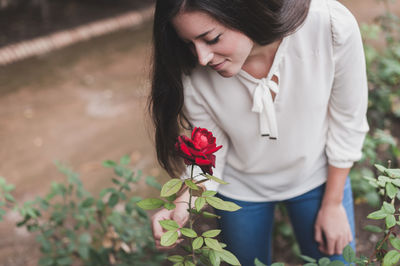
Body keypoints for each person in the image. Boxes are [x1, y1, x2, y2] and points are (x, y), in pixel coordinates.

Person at [149, 0, 369, 265]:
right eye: (188, 43)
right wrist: (182, 202)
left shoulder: (329, 25)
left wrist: (333, 204)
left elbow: (348, 120)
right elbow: (209, 148)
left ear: (244, 11)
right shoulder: (191, 70)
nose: (202, 57)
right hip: (240, 188)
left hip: (317, 176)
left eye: (212, 38)